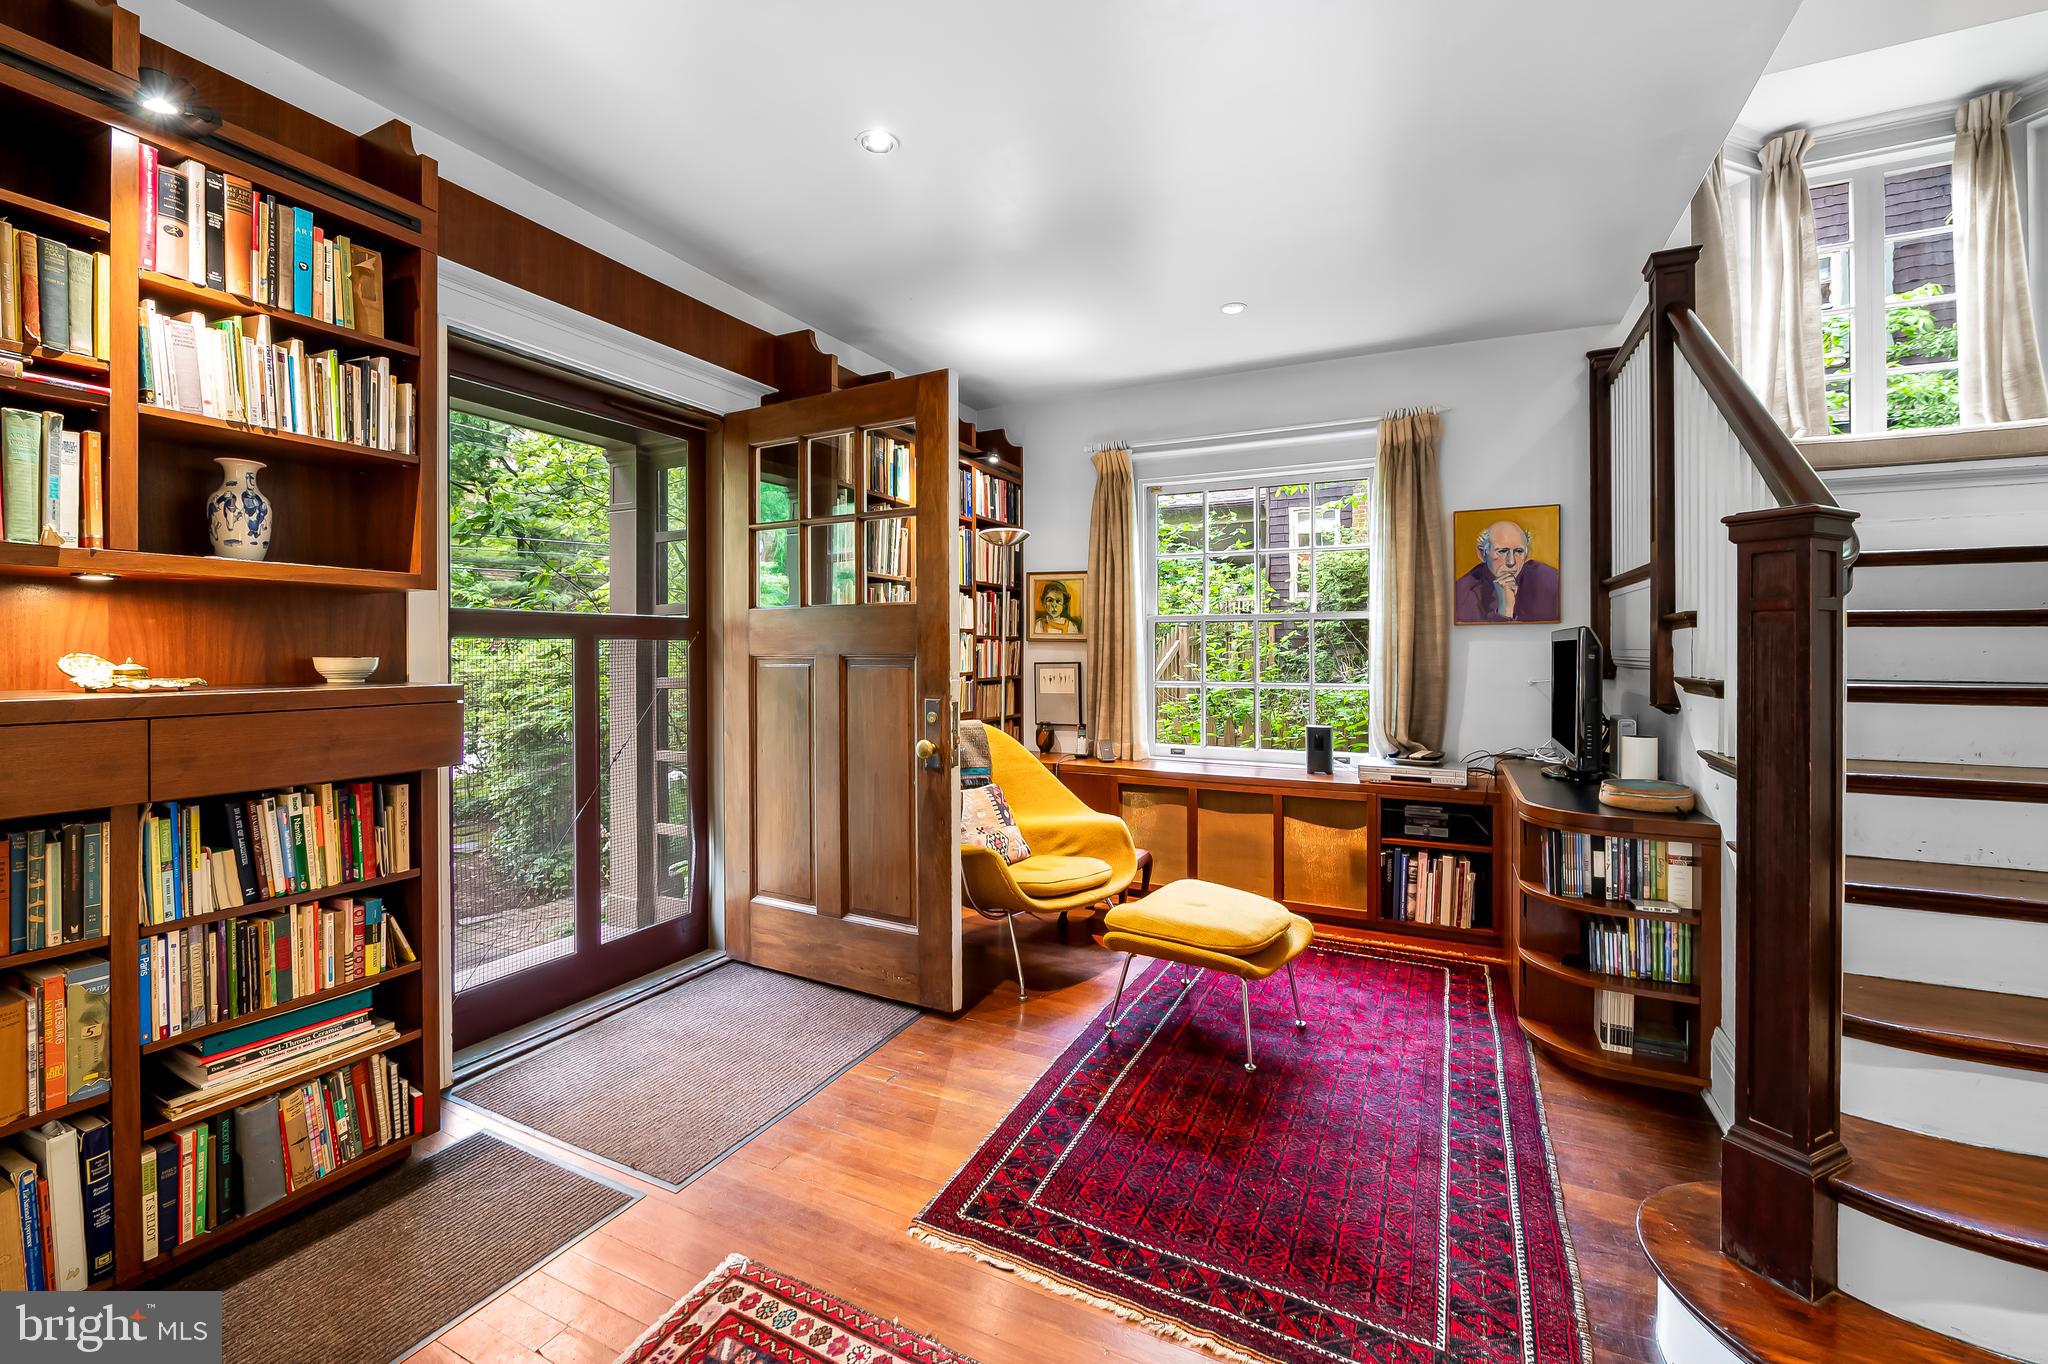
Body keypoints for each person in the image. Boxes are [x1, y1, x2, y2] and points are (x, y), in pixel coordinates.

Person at [1454, 519, 1560, 623]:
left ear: (1526, 555)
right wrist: (1505, 610)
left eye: (1519, 551)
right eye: (1502, 551)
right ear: (1483, 554)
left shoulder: (1550, 580)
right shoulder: (1462, 593)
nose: (1511, 562)